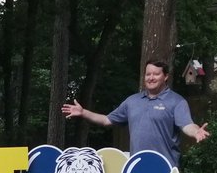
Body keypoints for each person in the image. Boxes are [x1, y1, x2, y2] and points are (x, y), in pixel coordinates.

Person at [60, 60, 209, 167]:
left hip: (166, 168)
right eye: (148, 74)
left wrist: (196, 132)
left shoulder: (176, 101)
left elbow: (187, 124)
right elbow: (107, 120)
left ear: (165, 77)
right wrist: (83, 112)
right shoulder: (132, 101)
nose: (151, 78)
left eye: (156, 74)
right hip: (137, 167)